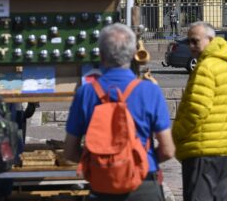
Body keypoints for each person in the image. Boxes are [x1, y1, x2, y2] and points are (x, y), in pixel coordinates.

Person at [64, 23, 175, 200]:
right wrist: (139, 162)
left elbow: (69, 151)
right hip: (143, 185)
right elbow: (168, 150)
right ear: (133, 55)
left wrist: (102, 165)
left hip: (102, 186)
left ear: (100, 55)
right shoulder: (149, 91)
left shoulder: (86, 93)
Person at [172, 22, 227, 201]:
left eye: (195, 41)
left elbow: (197, 109)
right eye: (189, 42)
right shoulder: (226, 65)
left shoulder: (206, 67)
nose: (191, 47)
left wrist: (176, 134)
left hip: (203, 146)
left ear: (210, 40)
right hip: (223, 147)